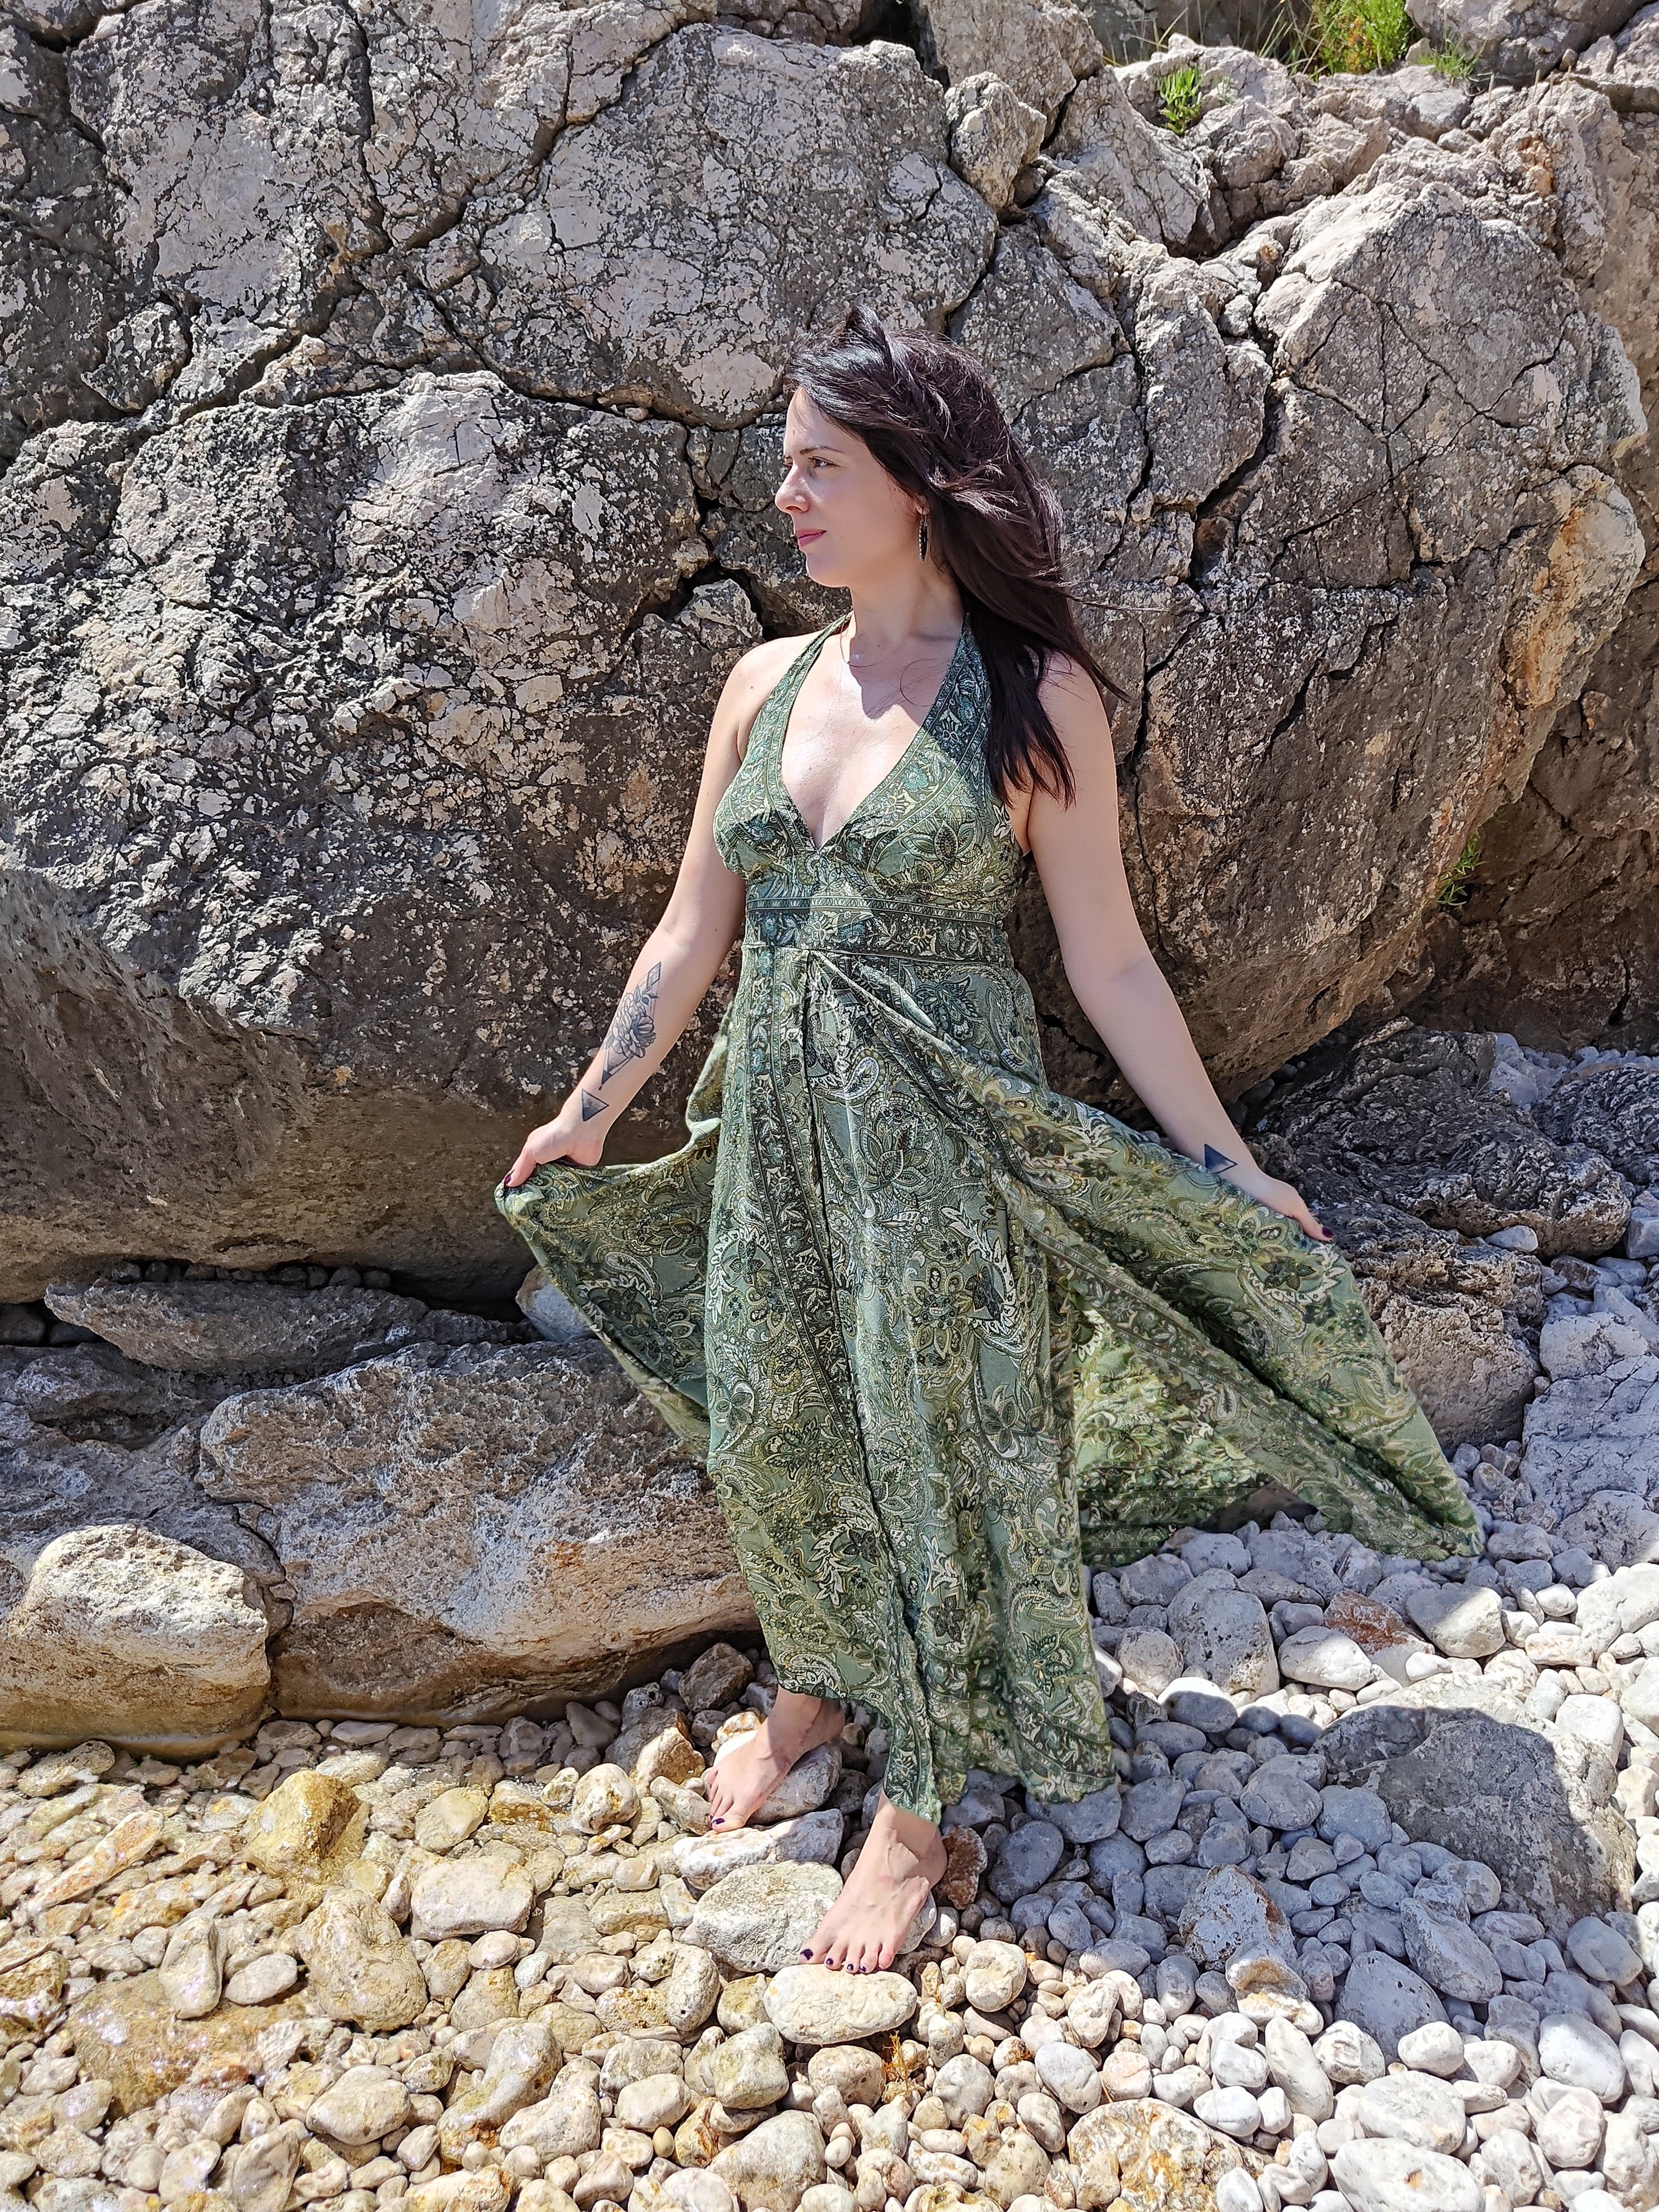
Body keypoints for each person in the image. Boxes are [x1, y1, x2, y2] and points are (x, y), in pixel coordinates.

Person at [496, 308, 1478, 1977]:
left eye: (820, 465)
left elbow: (1112, 963)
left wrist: (1225, 1161)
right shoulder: (762, 684)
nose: (786, 495)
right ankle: (821, 1683)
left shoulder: (1036, 698)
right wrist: (590, 1114)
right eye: (787, 463)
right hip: (776, 1133)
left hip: (948, 1146)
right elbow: (690, 931)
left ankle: (921, 1808)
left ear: (919, 484)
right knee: (783, 1422)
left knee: (942, 1452)